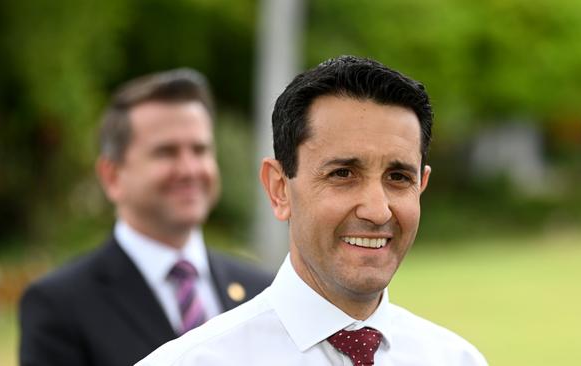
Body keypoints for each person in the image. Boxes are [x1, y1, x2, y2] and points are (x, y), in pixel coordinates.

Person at [137, 56, 488, 365]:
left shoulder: (457, 359)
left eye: (398, 177)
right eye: (343, 174)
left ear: (421, 187)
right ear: (279, 188)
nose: (377, 210)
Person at [18, 68, 273, 366]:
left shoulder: (261, 290)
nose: (190, 169)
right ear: (112, 176)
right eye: (166, 152)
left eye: (200, 150)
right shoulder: (59, 307)